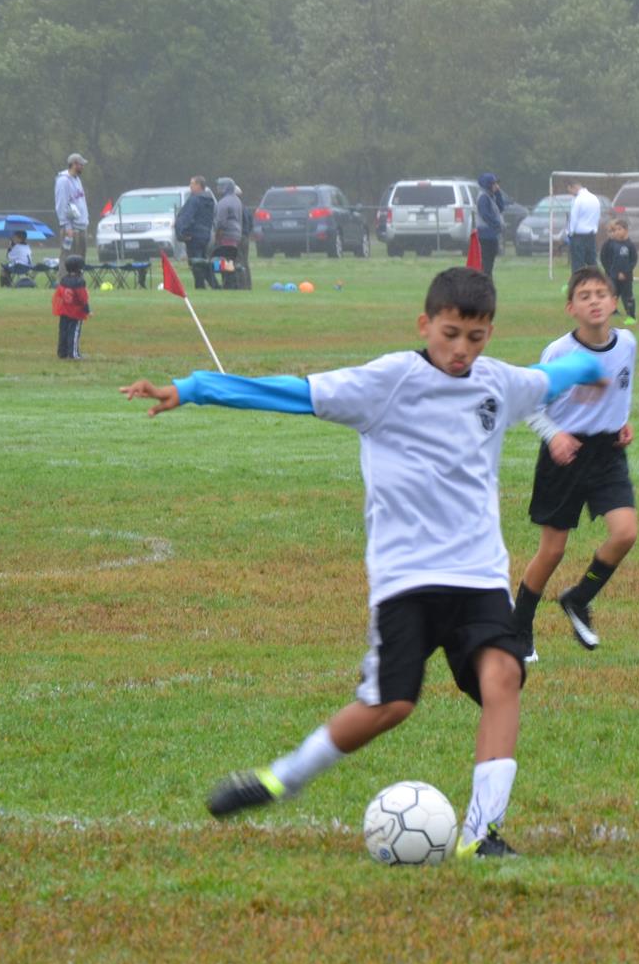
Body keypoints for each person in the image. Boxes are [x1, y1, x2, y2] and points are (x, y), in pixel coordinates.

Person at [121, 267, 606, 857]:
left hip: (477, 573)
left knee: (503, 677)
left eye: (476, 338)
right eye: (450, 334)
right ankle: (283, 778)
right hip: (406, 577)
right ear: (425, 324)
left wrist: (591, 368)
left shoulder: (498, 384)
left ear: (490, 334)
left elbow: (552, 377)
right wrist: (195, 387)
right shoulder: (387, 381)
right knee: (391, 704)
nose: (461, 349)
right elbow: (294, 394)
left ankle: (480, 835)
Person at [513, 266, 638, 659]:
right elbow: (529, 405)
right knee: (552, 551)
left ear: (614, 302)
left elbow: (621, 388)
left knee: (625, 533)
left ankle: (578, 598)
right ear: (571, 308)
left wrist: (622, 421)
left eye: (601, 294)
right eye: (584, 296)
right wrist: (555, 436)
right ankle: (519, 626)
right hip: (565, 457)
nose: (594, 301)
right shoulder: (559, 353)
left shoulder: (627, 342)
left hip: (607, 454)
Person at [176, 176, 218, 290]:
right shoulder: (209, 200)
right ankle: (215, 285)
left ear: (199, 185)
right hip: (205, 235)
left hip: (193, 236)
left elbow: (187, 217)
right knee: (203, 261)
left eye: (192, 183)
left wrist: (182, 232)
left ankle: (200, 286)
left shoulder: (194, 200)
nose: (190, 186)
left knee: (195, 263)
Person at [54, 152, 89, 263]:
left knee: (80, 260)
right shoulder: (63, 181)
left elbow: (80, 202)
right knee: (67, 259)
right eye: (81, 164)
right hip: (71, 229)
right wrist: (67, 227)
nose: (82, 167)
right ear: (74, 164)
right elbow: (61, 205)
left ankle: (78, 275)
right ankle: (64, 276)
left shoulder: (77, 180)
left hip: (81, 226)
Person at [601, 218, 638, 325]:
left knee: (627, 296)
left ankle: (631, 316)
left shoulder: (630, 245)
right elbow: (606, 259)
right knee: (612, 294)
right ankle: (610, 312)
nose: (617, 232)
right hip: (613, 276)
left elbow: (633, 261)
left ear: (626, 230)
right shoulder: (612, 244)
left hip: (626, 277)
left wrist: (625, 272)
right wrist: (610, 272)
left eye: (619, 229)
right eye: (615, 230)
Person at [53, 255, 90, 360]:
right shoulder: (79, 282)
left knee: (63, 332)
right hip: (75, 313)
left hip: (64, 311)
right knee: (74, 332)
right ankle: (74, 354)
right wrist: (87, 310)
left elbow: (59, 295)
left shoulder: (64, 280)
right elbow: (82, 298)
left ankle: (62, 352)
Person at [212, 178, 246, 290]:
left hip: (226, 236)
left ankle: (229, 284)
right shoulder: (237, 200)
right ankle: (235, 284)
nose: (218, 188)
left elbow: (220, 222)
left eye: (220, 186)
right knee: (232, 260)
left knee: (225, 261)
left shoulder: (223, 202)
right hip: (236, 235)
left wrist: (217, 235)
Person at [565, 177, 601, 274]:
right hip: (591, 235)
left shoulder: (578, 200)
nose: (570, 193)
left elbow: (573, 218)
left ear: (572, 187)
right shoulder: (594, 198)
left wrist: (569, 233)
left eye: (569, 190)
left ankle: (577, 282)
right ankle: (595, 281)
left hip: (578, 236)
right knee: (592, 263)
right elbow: (597, 216)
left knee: (578, 265)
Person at [474, 174, 506, 279]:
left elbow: (501, 207)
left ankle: (487, 281)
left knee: (490, 262)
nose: (497, 186)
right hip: (485, 234)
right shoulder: (483, 197)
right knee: (487, 263)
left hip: (492, 234)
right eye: (494, 184)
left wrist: (498, 193)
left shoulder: (491, 196)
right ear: (488, 185)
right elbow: (485, 214)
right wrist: (497, 224)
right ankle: (485, 282)